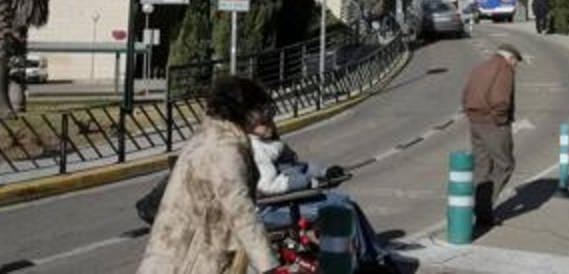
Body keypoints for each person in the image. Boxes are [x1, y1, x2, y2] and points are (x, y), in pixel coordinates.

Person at [138, 77, 279, 274]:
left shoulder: (211, 136)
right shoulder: (224, 147)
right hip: (187, 259)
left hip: (182, 252)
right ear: (242, 110)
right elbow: (240, 208)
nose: (266, 116)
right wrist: (267, 265)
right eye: (260, 109)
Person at [248, 117, 392, 269]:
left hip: (286, 201)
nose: (270, 124)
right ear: (249, 126)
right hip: (271, 209)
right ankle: (358, 263)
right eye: (263, 123)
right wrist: (309, 183)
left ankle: (373, 256)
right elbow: (269, 185)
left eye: (270, 120)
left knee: (347, 203)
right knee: (339, 209)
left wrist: (325, 172)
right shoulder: (257, 149)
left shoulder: (272, 143)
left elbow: (300, 167)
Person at [461, 44, 522, 231]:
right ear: (511, 58)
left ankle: (477, 208)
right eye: (516, 64)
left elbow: (465, 93)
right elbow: (500, 99)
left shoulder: (481, 66)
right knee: (505, 164)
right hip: (493, 123)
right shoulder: (504, 69)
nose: (515, 68)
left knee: (482, 166)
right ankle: (483, 208)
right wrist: (501, 119)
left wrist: (471, 114)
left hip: (475, 121)